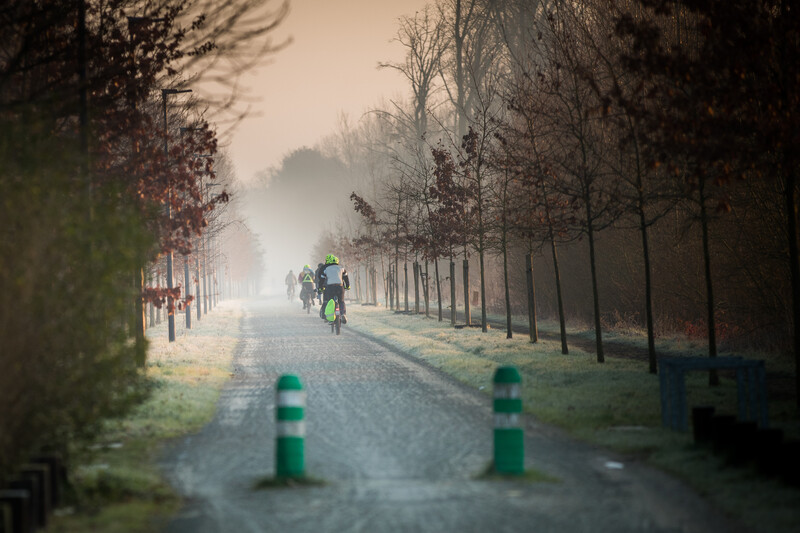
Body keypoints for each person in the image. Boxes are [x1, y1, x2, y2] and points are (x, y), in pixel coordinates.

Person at [318, 254, 350, 324]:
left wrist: (320, 288)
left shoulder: (326, 269)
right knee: (341, 301)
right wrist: (347, 286)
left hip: (330, 287)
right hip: (340, 286)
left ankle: (331, 318)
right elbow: (346, 278)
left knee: (330, 302)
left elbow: (321, 279)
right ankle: (343, 314)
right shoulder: (341, 268)